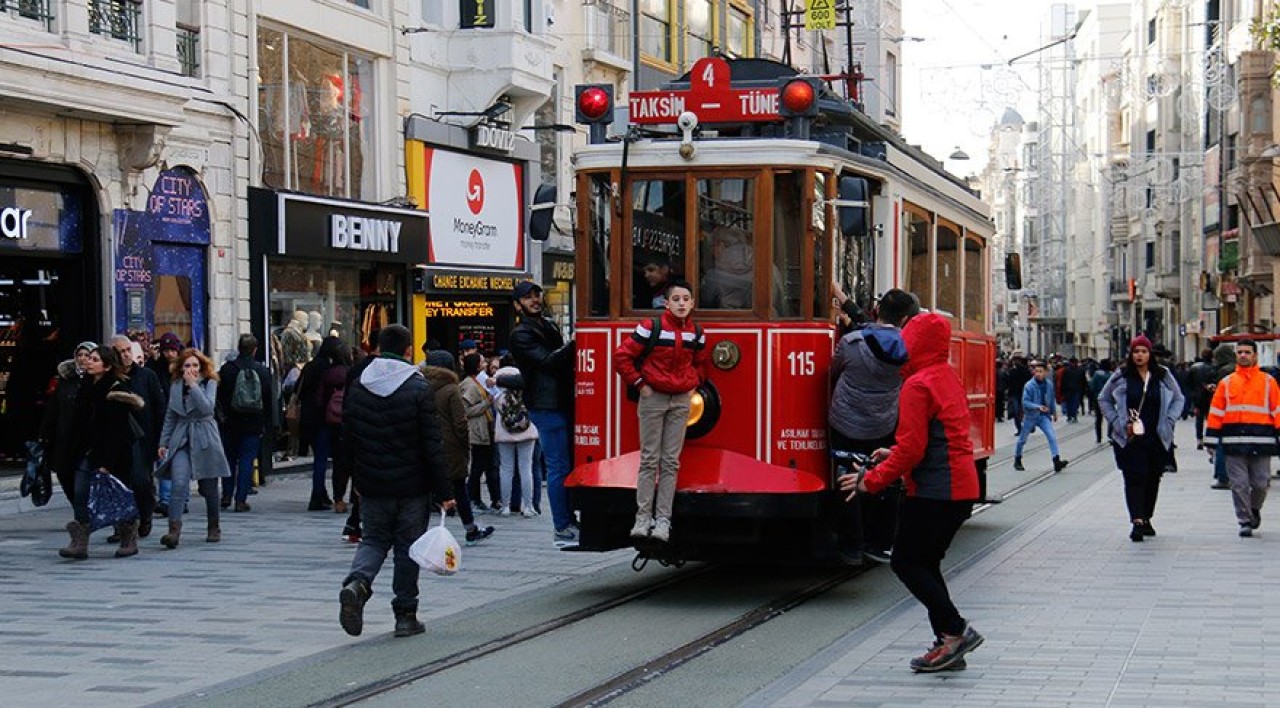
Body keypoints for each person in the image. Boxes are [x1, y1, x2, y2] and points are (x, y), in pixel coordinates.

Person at [839, 312, 984, 673]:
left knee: (906, 561)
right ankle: (948, 643)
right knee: (926, 562)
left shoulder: (917, 385)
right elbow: (936, 438)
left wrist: (869, 480)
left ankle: (955, 631)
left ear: (914, 342)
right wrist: (892, 455)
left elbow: (912, 450)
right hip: (958, 487)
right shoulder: (946, 375)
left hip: (937, 490)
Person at [337, 325, 455, 638]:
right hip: (412, 486)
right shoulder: (417, 387)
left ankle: (357, 584)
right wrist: (444, 491)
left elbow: (347, 439)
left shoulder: (360, 384)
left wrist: (354, 481)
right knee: (407, 548)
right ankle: (405, 615)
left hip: (372, 483)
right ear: (408, 350)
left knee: (373, 540)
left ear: (377, 347)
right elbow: (432, 444)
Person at [613, 279, 711, 543]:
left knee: (669, 461)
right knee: (649, 459)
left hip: (680, 399)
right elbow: (622, 356)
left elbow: (702, 364)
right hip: (654, 397)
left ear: (692, 304)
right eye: (676, 299)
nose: (681, 304)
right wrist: (641, 385)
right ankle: (643, 518)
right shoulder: (650, 327)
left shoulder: (696, 333)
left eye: (685, 299)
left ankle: (662, 521)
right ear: (666, 303)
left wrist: (693, 387)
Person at [826, 288, 918, 563]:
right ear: (904, 320)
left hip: (846, 421)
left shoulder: (852, 342)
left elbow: (833, 370)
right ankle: (879, 542)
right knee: (885, 476)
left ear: (878, 311)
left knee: (846, 476)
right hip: (884, 421)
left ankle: (851, 545)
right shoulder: (908, 348)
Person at [59, 345, 146, 560]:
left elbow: (115, 432)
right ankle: (80, 540)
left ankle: (128, 536)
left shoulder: (116, 391)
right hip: (86, 450)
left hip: (113, 454)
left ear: (106, 366)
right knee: (80, 491)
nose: (89, 362)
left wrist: (106, 462)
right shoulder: (85, 386)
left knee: (116, 494)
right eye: (89, 358)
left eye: (95, 359)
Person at [509, 280, 578, 544]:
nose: (535, 299)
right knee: (558, 466)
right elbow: (548, 362)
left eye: (537, 294)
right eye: (527, 297)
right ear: (518, 305)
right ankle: (562, 525)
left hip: (560, 401)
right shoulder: (521, 334)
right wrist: (573, 343)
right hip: (546, 405)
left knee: (566, 464)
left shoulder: (546, 324)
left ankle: (569, 519)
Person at [1098, 336, 1184, 542]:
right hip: (1129, 438)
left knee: (1153, 478)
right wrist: (1116, 422)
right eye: (1136, 352)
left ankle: (1146, 517)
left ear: (1150, 353)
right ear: (1131, 354)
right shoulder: (1121, 375)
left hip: (1156, 436)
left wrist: (1170, 419)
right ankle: (1136, 520)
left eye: (1144, 351)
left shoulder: (1162, 375)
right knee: (1134, 477)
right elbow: (1104, 398)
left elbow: (1179, 397)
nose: (1140, 355)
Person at [1204, 338, 1280, 538]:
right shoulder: (1226, 383)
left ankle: (1254, 508)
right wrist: (1211, 440)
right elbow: (1216, 412)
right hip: (1233, 440)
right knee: (1238, 483)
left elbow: (1277, 409)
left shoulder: (1268, 382)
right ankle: (1245, 520)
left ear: (1255, 355)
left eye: (1247, 352)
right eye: (1240, 352)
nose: (1244, 355)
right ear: (1236, 356)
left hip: (1262, 440)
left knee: (1261, 483)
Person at [156, 348, 231, 547]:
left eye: (195, 365)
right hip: (182, 437)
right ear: (180, 368)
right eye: (187, 365)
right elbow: (170, 416)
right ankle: (174, 530)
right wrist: (163, 442)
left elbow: (207, 407)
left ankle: (213, 526)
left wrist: (193, 385)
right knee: (179, 482)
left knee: (208, 487)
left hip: (205, 435)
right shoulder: (175, 386)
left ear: (202, 367)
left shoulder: (210, 382)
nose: (191, 369)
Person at [422, 349, 494, 545]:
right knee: (459, 487)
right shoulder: (451, 389)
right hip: (450, 445)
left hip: (426, 444)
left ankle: (417, 532)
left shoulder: (420, 387)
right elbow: (460, 422)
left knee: (424, 490)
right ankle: (470, 529)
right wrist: (464, 444)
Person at [111, 334, 167, 539]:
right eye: (121, 351)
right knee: (118, 483)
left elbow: (160, 409)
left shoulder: (147, 376)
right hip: (116, 440)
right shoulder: (110, 378)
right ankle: (122, 526)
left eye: (128, 350)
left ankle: (145, 515)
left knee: (141, 481)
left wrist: (162, 440)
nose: (126, 355)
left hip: (143, 439)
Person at [216, 334, 274, 513]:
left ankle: (226, 494)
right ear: (255, 350)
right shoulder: (262, 371)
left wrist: (222, 417)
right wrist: (267, 423)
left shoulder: (227, 369)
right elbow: (268, 400)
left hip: (230, 422)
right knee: (247, 460)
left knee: (229, 459)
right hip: (253, 423)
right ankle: (241, 499)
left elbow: (220, 397)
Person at [39, 342, 95, 504]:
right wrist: (44, 435)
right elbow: (53, 409)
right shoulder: (66, 381)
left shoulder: (97, 381)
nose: (83, 359)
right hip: (65, 436)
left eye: (87, 355)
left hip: (86, 439)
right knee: (64, 474)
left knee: (82, 476)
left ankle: (82, 515)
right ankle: (78, 507)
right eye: (80, 355)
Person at [299, 336, 350, 511]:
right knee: (325, 458)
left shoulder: (310, 366)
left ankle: (321, 493)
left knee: (318, 458)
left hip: (307, 418)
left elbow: (298, 390)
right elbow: (322, 399)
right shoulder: (329, 370)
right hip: (325, 419)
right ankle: (318, 495)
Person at [491, 362, 540, 518]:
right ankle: (528, 506)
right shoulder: (526, 390)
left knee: (506, 469)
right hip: (526, 429)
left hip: (504, 431)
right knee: (526, 469)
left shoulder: (498, 391)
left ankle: (505, 506)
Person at [459, 352, 500, 513]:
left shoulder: (480, 380)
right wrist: (486, 403)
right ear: (476, 365)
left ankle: (479, 499)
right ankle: (470, 498)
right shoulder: (469, 385)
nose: (485, 363)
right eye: (482, 361)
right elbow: (465, 410)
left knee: (484, 465)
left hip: (485, 428)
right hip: (477, 430)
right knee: (478, 466)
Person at [1013, 361, 1069, 473]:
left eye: (1040, 371)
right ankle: (1017, 459)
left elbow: (1051, 399)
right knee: (1022, 439)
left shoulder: (1048, 384)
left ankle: (1056, 460)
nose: (1038, 374)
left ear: (1046, 372)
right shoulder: (1029, 385)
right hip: (1031, 416)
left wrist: (1054, 412)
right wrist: (1038, 407)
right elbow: (1025, 402)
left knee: (1052, 436)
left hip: (1044, 416)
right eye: (1036, 371)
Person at [699, 226, 754, 310]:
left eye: (713, 246)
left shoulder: (713, 276)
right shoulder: (769, 268)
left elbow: (704, 304)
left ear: (721, 245)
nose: (712, 251)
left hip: (723, 319)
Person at [1187, 348, 1216, 450]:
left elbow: (1189, 383)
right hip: (1211, 397)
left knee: (1199, 420)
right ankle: (1209, 438)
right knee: (1210, 419)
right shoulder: (1214, 368)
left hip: (1198, 398)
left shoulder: (1194, 368)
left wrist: (1192, 397)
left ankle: (1199, 439)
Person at [1005, 355, 1033, 434]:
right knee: (1024, 411)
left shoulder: (1012, 371)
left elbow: (1008, 382)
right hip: (1022, 393)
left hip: (1016, 394)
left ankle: (1021, 428)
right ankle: (1028, 426)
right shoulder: (1026, 371)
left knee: (1017, 412)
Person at [1088, 359, 1113, 444]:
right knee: (1111, 418)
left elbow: (1092, 386)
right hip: (1110, 400)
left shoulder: (1097, 374)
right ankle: (1110, 436)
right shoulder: (1111, 375)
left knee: (1098, 418)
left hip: (1098, 399)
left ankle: (1099, 437)